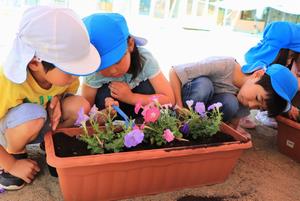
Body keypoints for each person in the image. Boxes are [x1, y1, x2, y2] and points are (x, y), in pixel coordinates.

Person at [0, 6, 100, 190]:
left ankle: (50, 143)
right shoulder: (7, 82)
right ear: (34, 63)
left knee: (79, 105)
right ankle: (14, 154)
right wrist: (11, 164)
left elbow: (62, 92)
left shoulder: (65, 77)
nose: (75, 75)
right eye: (70, 69)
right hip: (9, 132)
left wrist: (57, 97)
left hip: (40, 122)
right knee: (33, 114)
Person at [81, 13, 174, 119]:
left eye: (117, 61)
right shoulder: (94, 71)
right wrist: (106, 112)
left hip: (144, 120)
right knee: (103, 95)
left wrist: (131, 97)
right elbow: (85, 113)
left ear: (130, 44)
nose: (112, 70)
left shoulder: (144, 59)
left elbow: (169, 98)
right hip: (112, 124)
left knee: (147, 88)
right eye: (103, 65)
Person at [169, 56, 298, 129]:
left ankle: (197, 129)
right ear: (257, 75)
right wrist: (178, 105)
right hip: (186, 99)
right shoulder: (224, 65)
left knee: (231, 102)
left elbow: (233, 125)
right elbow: (174, 72)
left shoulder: (244, 98)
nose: (251, 105)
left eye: (259, 107)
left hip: (200, 116)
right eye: (258, 98)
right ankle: (178, 122)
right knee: (204, 85)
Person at [242, 21, 300, 127]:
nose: (288, 61)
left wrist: (288, 106)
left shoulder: (282, 63)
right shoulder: (260, 69)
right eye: (290, 56)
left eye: (292, 57)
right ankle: (242, 115)